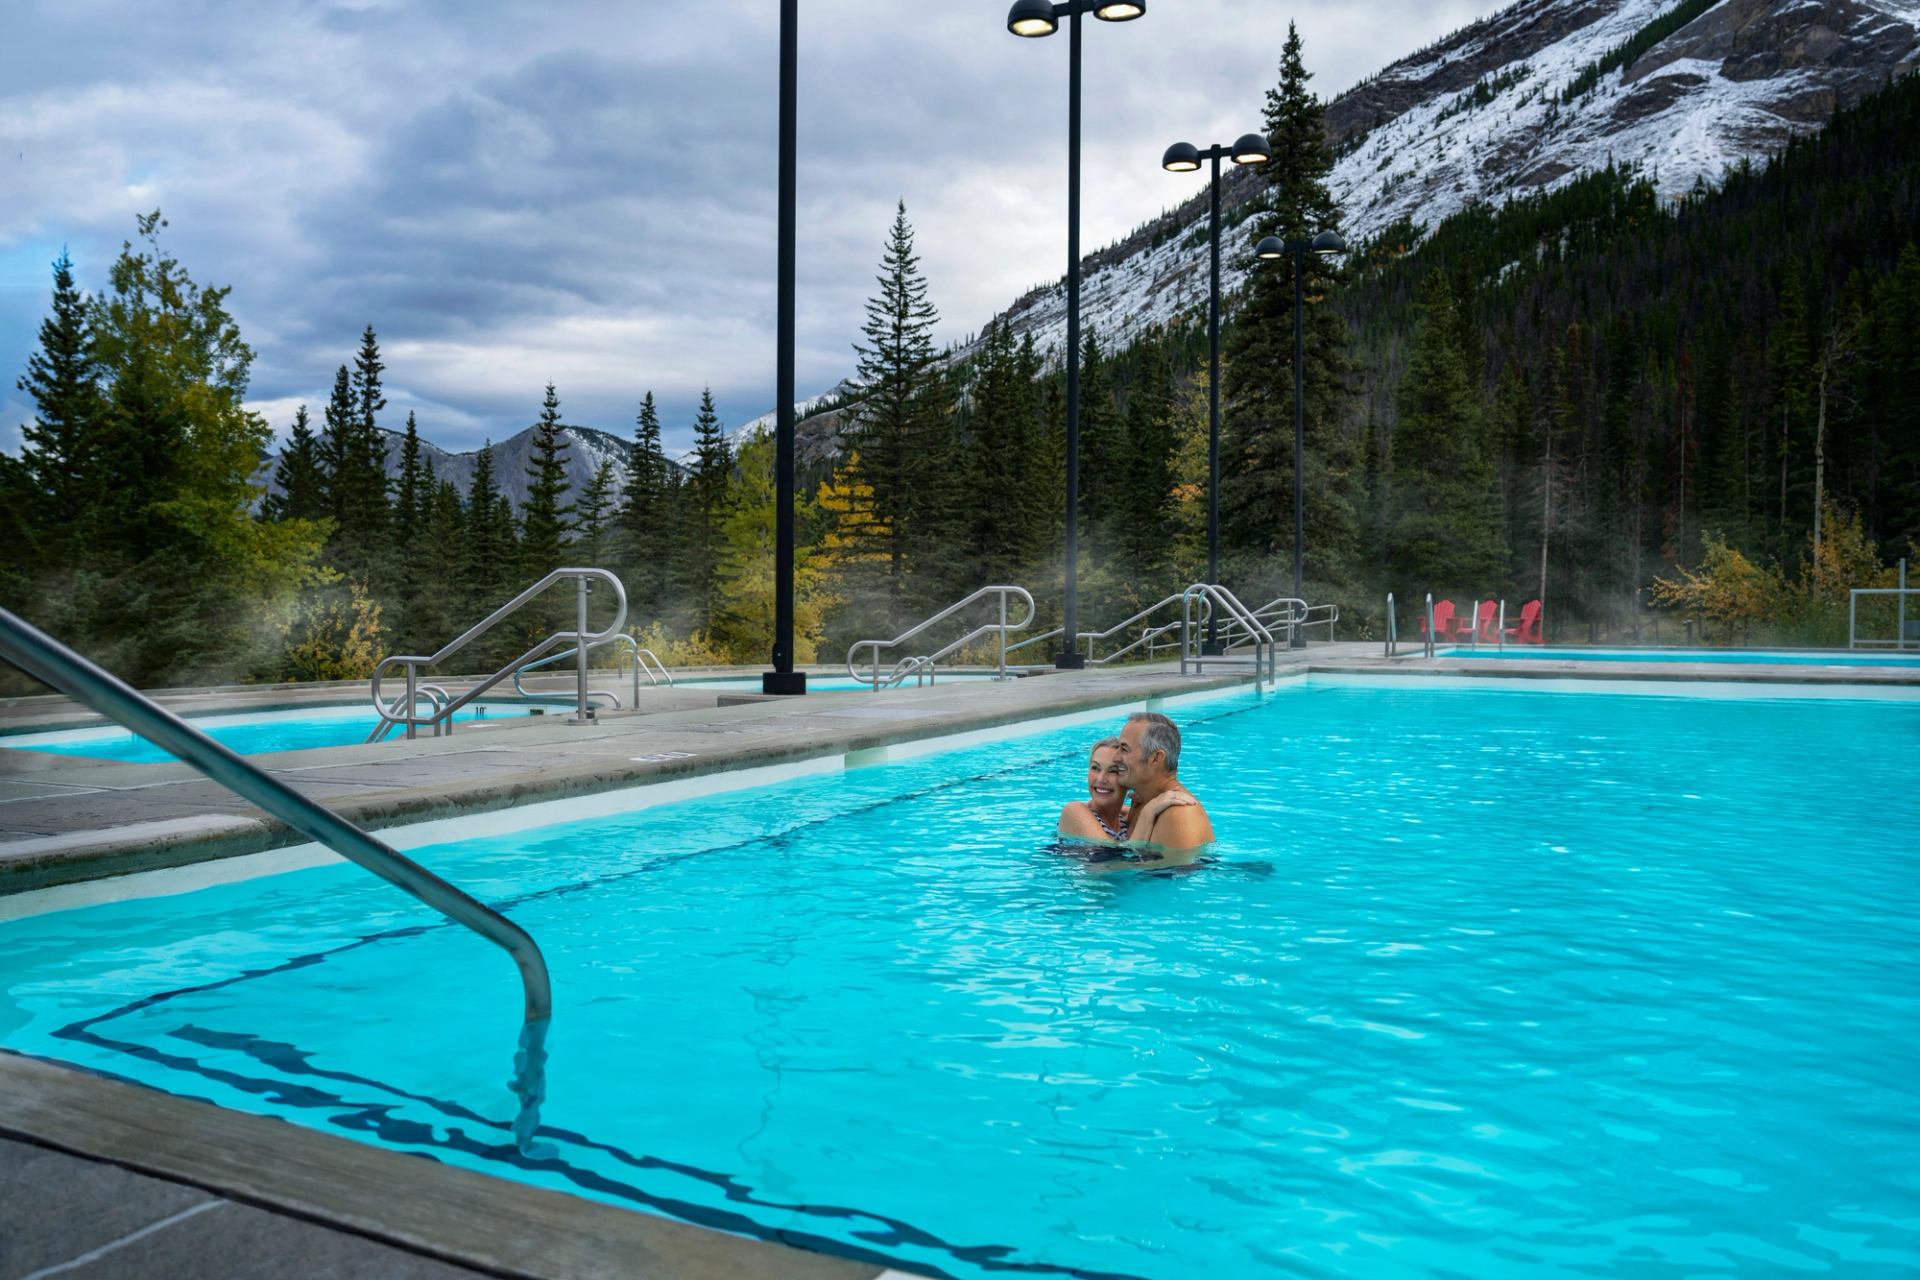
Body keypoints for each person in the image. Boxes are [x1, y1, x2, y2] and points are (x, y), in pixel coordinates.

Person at [1114, 711, 1214, 851]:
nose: (1115, 757)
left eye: (1124, 749)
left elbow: (1135, 872)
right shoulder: (1144, 801)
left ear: (1156, 758)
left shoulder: (1178, 815)